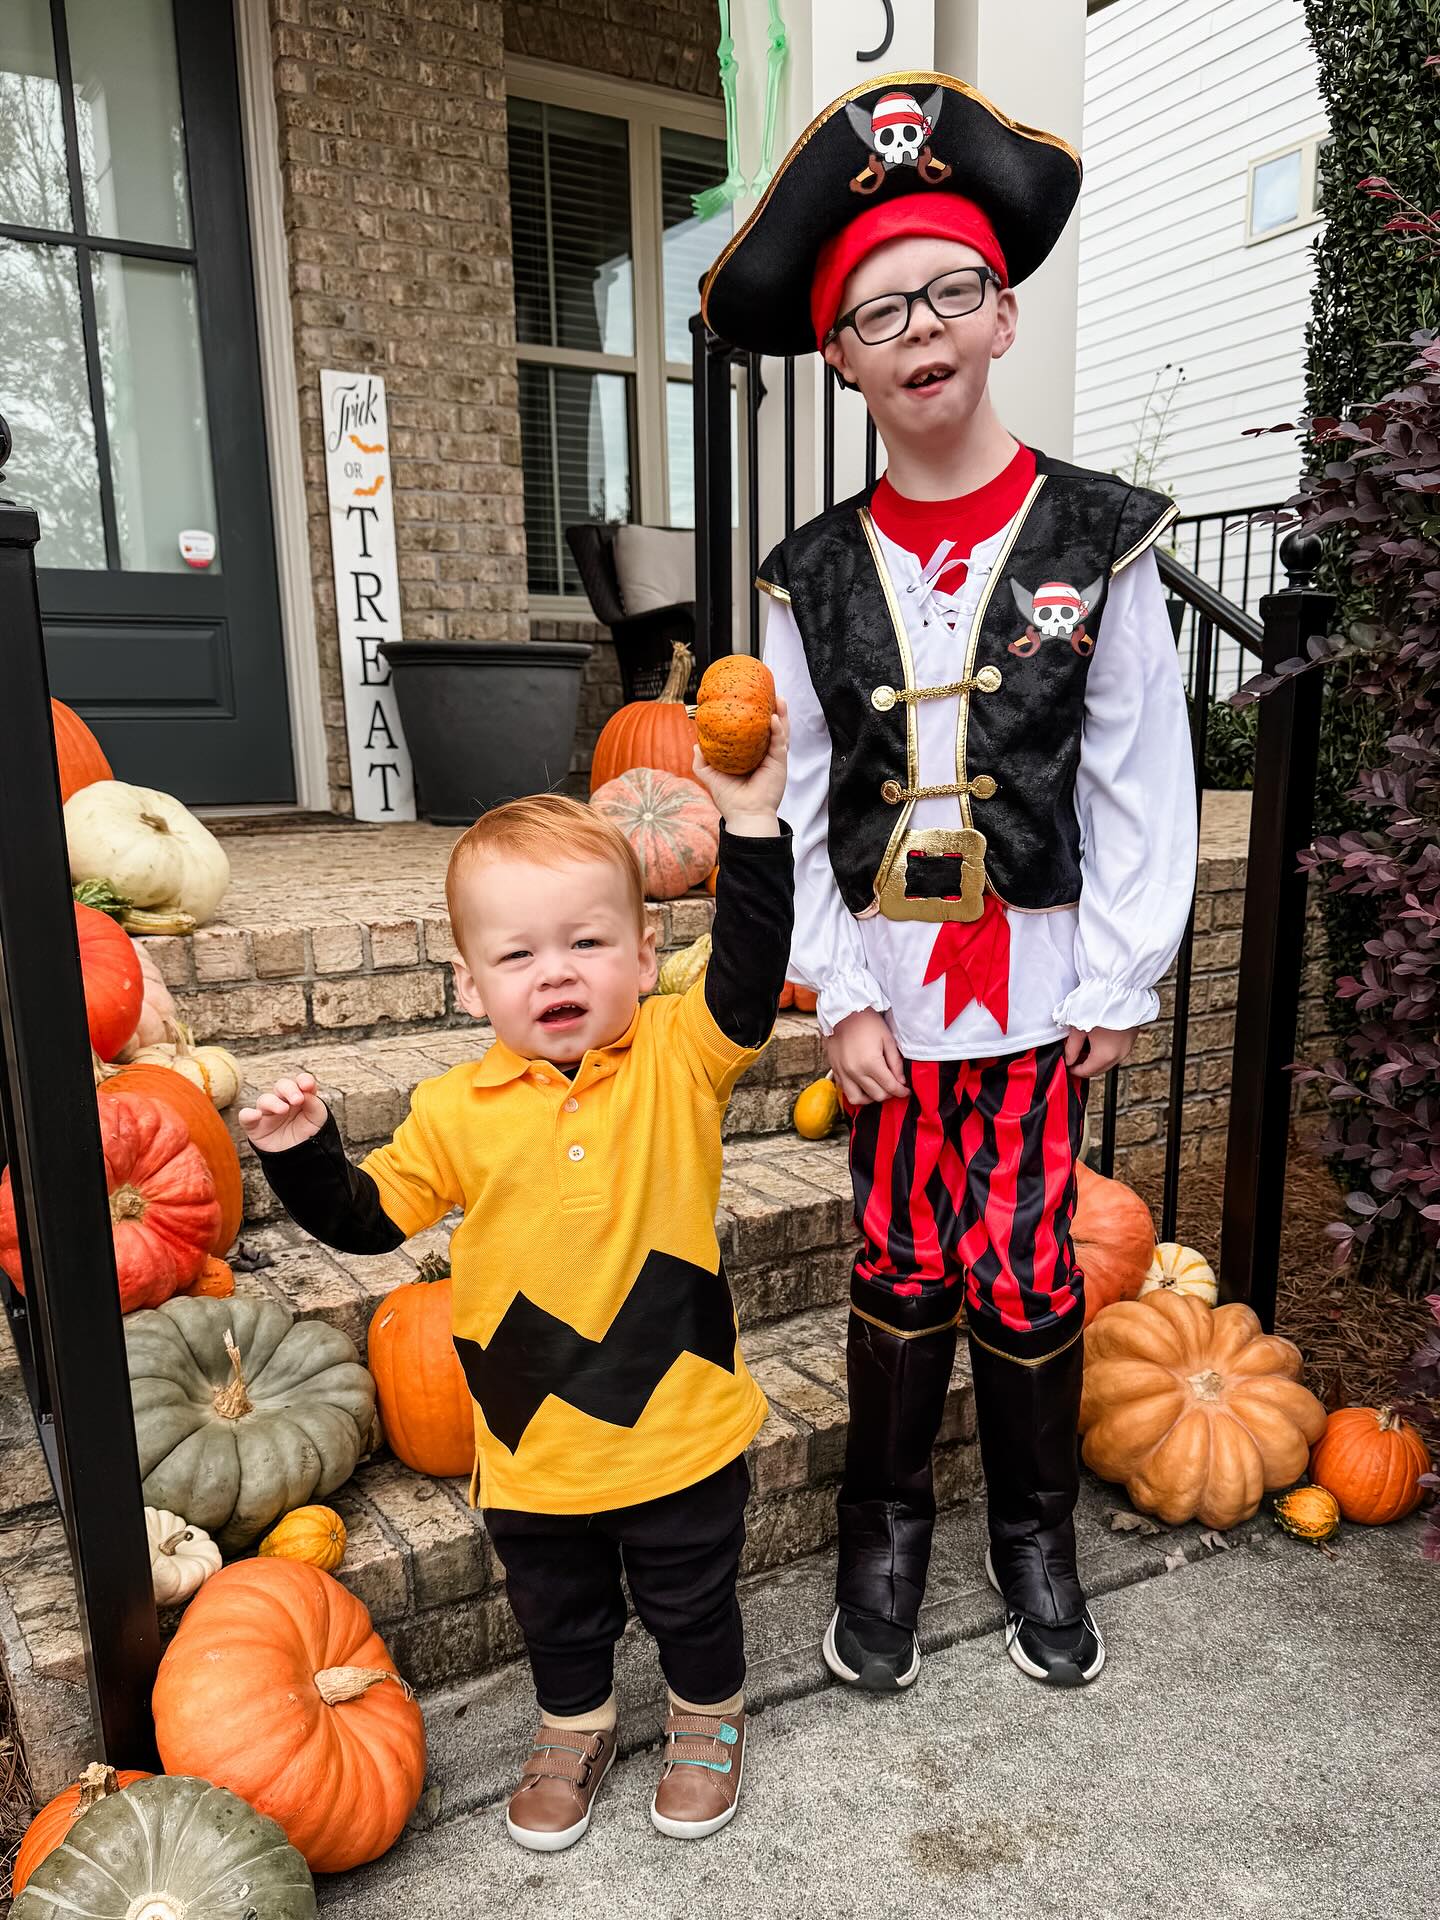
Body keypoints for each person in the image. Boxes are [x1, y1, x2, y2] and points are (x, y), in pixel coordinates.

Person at [701, 75, 1197, 1693]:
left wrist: (1124, 973)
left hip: (1040, 993)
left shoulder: (1095, 539)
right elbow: (810, 787)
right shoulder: (812, 576)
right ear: (837, 355)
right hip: (892, 1010)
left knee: (1034, 1259)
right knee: (902, 1261)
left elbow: (1136, 775)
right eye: (875, 309)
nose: (917, 326)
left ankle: (1034, 1532)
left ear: (997, 313)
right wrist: (837, 986)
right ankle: (886, 1530)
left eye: (948, 291)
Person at [238, 721, 793, 1851]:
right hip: (533, 1436)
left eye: (589, 942)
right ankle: (574, 1721)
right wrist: (302, 1156)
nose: (557, 972)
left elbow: (747, 964)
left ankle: (706, 1713)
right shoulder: (451, 1113)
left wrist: (749, 822)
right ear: (470, 981)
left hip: (677, 1419)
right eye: (520, 954)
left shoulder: (682, 1057)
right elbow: (365, 1221)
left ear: (644, 959)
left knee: (692, 1594)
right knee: (556, 1606)